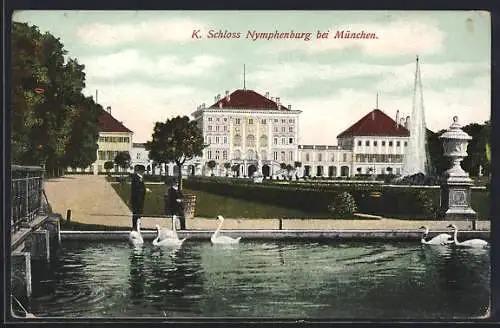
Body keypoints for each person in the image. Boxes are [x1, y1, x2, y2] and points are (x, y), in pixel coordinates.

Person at [130, 166, 146, 231]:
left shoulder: (139, 178)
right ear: (140, 171)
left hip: (139, 199)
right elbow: (136, 188)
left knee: (138, 213)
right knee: (136, 213)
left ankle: (137, 226)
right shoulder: (136, 178)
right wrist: (144, 189)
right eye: (143, 171)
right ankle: (135, 227)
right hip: (137, 199)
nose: (144, 172)